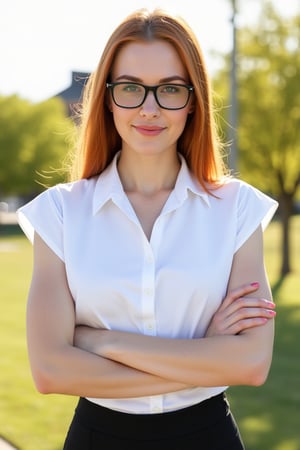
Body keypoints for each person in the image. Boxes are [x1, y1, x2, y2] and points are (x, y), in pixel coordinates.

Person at [17, 8, 278, 450]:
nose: (150, 109)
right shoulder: (60, 213)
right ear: (107, 97)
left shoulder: (237, 209)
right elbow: (50, 372)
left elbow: (250, 363)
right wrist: (205, 355)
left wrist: (99, 341)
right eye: (132, 88)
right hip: (98, 438)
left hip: (207, 437)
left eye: (171, 89)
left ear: (194, 99)